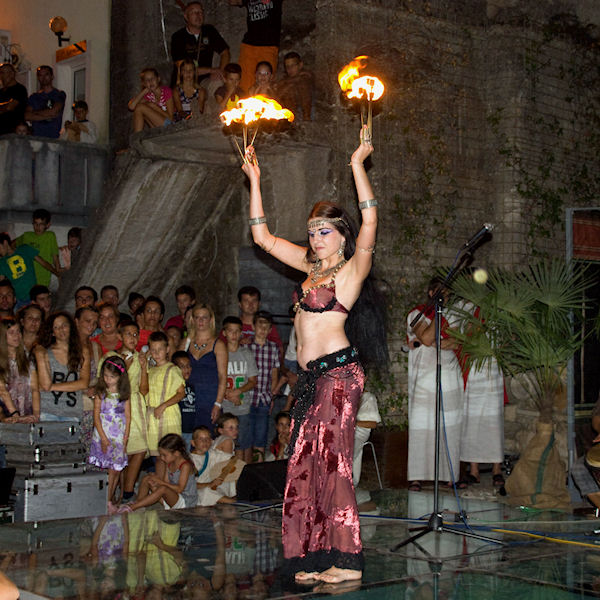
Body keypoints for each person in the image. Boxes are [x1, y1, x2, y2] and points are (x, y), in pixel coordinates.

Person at [241, 128, 378, 583]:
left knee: (334, 464)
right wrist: (254, 180)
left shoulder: (351, 271)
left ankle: (347, 560)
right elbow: (262, 237)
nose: (316, 238)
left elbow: (370, 221)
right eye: (312, 232)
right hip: (312, 379)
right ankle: (315, 554)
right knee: (305, 464)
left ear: (341, 236)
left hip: (339, 377)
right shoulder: (309, 268)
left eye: (324, 232)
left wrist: (357, 164)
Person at [406, 278, 464, 492]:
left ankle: (450, 475)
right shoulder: (416, 314)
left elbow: (456, 342)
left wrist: (434, 342)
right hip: (424, 376)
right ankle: (417, 476)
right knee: (422, 423)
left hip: (449, 374)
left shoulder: (455, 315)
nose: (444, 297)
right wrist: (436, 319)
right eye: (440, 292)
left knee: (449, 423)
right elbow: (427, 338)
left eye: (447, 293)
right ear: (431, 293)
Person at [88, 356, 131, 511]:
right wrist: (103, 438)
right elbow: (96, 416)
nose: (108, 380)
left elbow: (128, 416)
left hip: (118, 435)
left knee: (116, 469)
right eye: (105, 376)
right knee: (109, 471)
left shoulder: (124, 393)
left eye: (112, 377)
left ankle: (109, 498)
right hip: (104, 433)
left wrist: (125, 437)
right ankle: (106, 500)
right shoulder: (101, 392)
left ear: (120, 377)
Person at [34, 311, 91, 421]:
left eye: (64, 325)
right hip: (47, 410)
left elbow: (84, 383)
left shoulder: (83, 351)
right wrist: (39, 355)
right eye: (56, 327)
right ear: (52, 332)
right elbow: (45, 385)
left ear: (71, 327)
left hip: (72, 411)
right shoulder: (45, 352)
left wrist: (52, 387)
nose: (61, 329)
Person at [120, 433, 196, 512]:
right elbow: (166, 482)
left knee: (163, 489)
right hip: (172, 498)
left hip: (185, 502)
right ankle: (139, 504)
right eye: (161, 455)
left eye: (164, 455)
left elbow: (179, 489)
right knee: (148, 479)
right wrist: (156, 482)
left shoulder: (185, 466)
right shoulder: (169, 463)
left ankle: (132, 507)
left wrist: (160, 482)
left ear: (176, 453)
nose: (162, 458)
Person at [118, 320, 149, 505]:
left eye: (135, 334)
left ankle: (128, 491)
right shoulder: (112, 357)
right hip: (119, 406)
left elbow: (144, 390)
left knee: (140, 448)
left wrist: (144, 368)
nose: (133, 338)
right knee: (123, 451)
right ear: (120, 336)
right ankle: (120, 490)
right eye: (128, 334)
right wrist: (125, 368)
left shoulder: (139, 357)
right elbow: (110, 384)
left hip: (136, 406)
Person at [170, 2, 230, 89]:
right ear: (186, 17)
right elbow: (184, 68)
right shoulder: (178, 37)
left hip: (204, 79)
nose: (198, 15)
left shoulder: (209, 31)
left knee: (219, 83)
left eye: (200, 12)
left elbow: (225, 52)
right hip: (185, 80)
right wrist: (212, 70)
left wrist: (220, 71)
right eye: (194, 12)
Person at [228, 0, 284, 94]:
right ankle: (246, 103)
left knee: (266, 84)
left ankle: (262, 103)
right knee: (245, 84)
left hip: (269, 45)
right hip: (249, 45)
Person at [222, 315, 257, 463]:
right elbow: (216, 379)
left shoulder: (246, 354)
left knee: (243, 444)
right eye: (230, 331)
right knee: (226, 444)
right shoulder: (220, 353)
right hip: (224, 407)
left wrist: (238, 391)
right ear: (224, 333)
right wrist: (228, 395)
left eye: (237, 331)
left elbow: (253, 381)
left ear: (241, 333)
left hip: (243, 407)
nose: (234, 335)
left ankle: (243, 473)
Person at [186, 304, 227, 429]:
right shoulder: (186, 342)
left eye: (204, 317)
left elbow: (223, 376)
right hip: (189, 399)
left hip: (209, 398)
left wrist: (218, 404)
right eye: (197, 317)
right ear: (192, 319)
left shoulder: (218, 345)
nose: (201, 320)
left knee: (208, 435)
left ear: (211, 319)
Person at [146, 331, 185, 458]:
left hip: (168, 415)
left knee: (169, 453)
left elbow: (181, 393)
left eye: (160, 349)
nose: (156, 353)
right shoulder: (150, 370)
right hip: (153, 417)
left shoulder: (172, 369)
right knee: (157, 455)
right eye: (153, 350)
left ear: (167, 349)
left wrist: (163, 405)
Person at [248, 310, 280, 462]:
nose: (262, 329)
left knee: (261, 436)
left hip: (264, 398)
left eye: (266, 326)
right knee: (246, 436)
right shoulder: (246, 346)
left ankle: (258, 466)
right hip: (248, 398)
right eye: (259, 325)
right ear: (253, 326)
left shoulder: (273, 348)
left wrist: (272, 396)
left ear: (270, 329)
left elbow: (274, 373)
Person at [0, 233, 58, 307]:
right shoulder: (2, 262)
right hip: (18, 299)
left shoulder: (24, 249)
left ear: (5, 243)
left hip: (33, 296)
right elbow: (1, 281)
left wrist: (57, 273)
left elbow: (43, 263)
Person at [0, 316, 40, 422]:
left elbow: (35, 389)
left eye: (18, 331)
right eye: (11, 332)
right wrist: (16, 415)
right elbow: (2, 391)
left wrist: (36, 415)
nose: (16, 335)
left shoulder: (27, 358)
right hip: (6, 411)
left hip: (26, 408)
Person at [74, 305, 101, 454]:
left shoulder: (95, 347)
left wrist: (97, 388)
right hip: (74, 405)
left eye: (94, 322)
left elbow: (100, 376)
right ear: (77, 321)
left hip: (93, 407)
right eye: (87, 321)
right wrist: (85, 390)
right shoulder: (66, 346)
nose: (91, 325)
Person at [191, 425, 236, 505]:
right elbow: (189, 485)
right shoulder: (189, 460)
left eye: (207, 439)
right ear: (193, 443)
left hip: (213, 487)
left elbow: (233, 460)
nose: (205, 442)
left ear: (211, 441)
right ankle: (235, 503)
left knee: (233, 470)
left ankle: (233, 498)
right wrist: (209, 484)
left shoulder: (212, 454)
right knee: (206, 492)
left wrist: (222, 476)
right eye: (201, 439)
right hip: (198, 491)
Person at [236, 286, 282, 354]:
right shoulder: (232, 325)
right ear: (239, 304)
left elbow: (279, 349)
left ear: (259, 303)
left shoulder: (267, 325)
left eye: (254, 301)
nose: (251, 305)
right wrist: (236, 343)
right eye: (246, 301)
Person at [24, 65, 66, 138]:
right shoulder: (34, 97)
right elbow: (27, 116)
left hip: (53, 137)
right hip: (37, 136)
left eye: (46, 74)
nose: (43, 78)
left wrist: (34, 112)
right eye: (40, 75)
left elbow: (53, 111)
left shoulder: (59, 94)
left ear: (52, 76)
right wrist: (46, 116)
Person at [128, 68, 175, 133]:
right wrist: (144, 92)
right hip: (155, 127)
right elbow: (131, 106)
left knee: (140, 107)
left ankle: (137, 136)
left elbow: (170, 118)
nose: (150, 81)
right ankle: (138, 135)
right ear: (144, 84)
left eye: (152, 78)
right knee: (138, 107)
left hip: (169, 125)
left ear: (158, 79)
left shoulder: (166, 91)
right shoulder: (147, 96)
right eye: (147, 80)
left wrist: (154, 107)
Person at [276, 52, 313, 121]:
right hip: (289, 113)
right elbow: (277, 96)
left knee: (302, 85)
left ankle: (306, 119)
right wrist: (290, 82)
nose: (290, 69)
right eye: (287, 66)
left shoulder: (305, 77)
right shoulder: (284, 80)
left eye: (293, 65)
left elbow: (307, 78)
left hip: (306, 112)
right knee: (288, 90)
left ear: (300, 65)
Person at [172, 350, 196, 449]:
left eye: (188, 366)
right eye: (182, 366)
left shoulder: (191, 385)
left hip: (190, 429)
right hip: (178, 428)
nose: (187, 369)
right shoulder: (173, 386)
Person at [0, 63, 28, 136]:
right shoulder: (1, 91)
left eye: (3, 73)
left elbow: (9, 107)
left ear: (12, 74)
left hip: (13, 131)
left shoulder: (20, 89)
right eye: (0, 73)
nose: (1, 76)